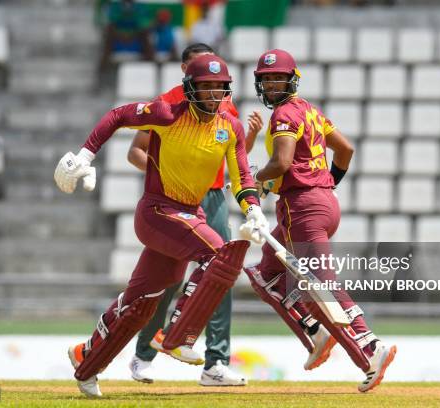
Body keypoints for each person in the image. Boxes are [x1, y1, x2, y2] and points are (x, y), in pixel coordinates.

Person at [54, 54, 268, 397]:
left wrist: (253, 209)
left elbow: (242, 175)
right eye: (206, 87)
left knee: (141, 303)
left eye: (219, 88)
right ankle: (176, 335)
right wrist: (85, 156)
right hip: (157, 212)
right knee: (220, 255)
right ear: (190, 89)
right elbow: (117, 115)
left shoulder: (230, 127)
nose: (214, 94)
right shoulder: (167, 114)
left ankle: (86, 361)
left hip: (188, 216)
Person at [244, 49, 396, 393]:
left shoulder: (284, 114)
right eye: (266, 79)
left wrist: (252, 178)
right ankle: (315, 331)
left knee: (321, 284)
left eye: (277, 78)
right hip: (322, 203)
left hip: (302, 207)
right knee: (264, 273)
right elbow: (345, 151)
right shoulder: (310, 110)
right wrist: (326, 186)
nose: (270, 84)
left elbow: (281, 163)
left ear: (291, 80)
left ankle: (371, 347)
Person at [126, 43, 262, 386]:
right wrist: (165, 177)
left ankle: (215, 363)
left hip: (213, 197)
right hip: (173, 200)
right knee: (167, 279)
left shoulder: (223, 103)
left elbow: (233, 155)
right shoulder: (167, 103)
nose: (211, 81)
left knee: (222, 275)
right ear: (186, 71)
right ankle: (144, 354)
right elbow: (136, 152)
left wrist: (252, 136)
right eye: (200, 69)